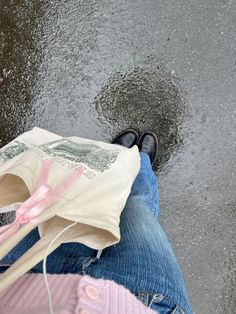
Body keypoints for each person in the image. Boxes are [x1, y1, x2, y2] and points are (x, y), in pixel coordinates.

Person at [0, 129, 192, 314]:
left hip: (16, 277)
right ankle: (139, 160)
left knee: (77, 197)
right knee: (135, 206)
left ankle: (118, 158)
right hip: (144, 302)